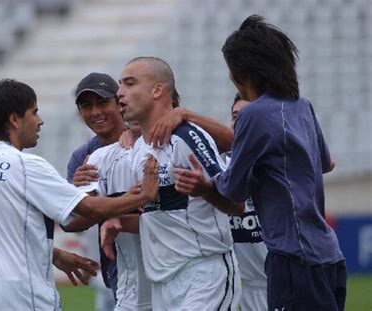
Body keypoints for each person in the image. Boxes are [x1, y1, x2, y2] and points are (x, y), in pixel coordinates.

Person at [174, 15, 346, 310]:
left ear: (241, 72)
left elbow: (232, 189)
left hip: (293, 257)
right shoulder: (302, 105)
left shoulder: (255, 114)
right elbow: (326, 162)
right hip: (329, 253)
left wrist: (203, 186)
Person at [0, 79, 159, 311]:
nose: (39, 121)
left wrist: (54, 254)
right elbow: (87, 209)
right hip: (19, 297)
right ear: (14, 119)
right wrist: (141, 196)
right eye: (34, 112)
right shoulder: (25, 165)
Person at [113, 56, 242, 310]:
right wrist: (114, 221)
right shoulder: (139, 149)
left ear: (158, 90)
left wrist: (204, 190)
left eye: (129, 84)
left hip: (204, 276)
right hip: (162, 283)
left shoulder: (187, 136)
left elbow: (237, 204)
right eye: (120, 85)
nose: (119, 93)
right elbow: (162, 216)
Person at [65, 72, 152, 310]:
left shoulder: (146, 139)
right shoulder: (82, 157)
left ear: (119, 103)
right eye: (86, 106)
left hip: (162, 260)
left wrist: (98, 204)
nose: (95, 112)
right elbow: (69, 222)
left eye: (102, 103)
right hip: (117, 266)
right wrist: (75, 195)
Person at [227, 94, 268, 311]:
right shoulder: (220, 165)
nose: (239, 123)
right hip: (251, 289)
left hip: (290, 285)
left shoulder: (279, 161)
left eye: (246, 116)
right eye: (235, 117)